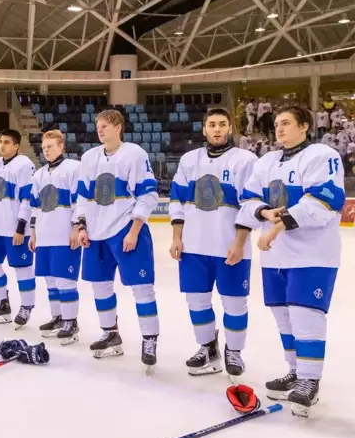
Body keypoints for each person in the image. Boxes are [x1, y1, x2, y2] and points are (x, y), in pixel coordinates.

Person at [237, 105, 345, 417]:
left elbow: (322, 202)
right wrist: (263, 211)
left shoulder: (322, 156)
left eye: (286, 123)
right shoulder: (266, 161)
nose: (279, 129)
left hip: (312, 254)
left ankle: (310, 380)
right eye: (277, 124)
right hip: (276, 257)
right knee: (284, 317)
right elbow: (247, 200)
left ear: (305, 126)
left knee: (305, 315)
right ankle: (296, 371)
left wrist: (275, 227)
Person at [169, 108, 258, 377]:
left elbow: (250, 205)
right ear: (204, 128)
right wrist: (176, 237)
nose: (217, 129)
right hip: (193, 247)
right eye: (212, 124)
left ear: (230, 128)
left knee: (235, 303)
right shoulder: (189, 160)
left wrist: (239, 243)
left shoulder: (246, 160)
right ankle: (207, 348)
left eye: (222, 124)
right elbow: (177, 200)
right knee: (196, 301)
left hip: (229, 247)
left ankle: (234, 351)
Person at [73, 109, 160, 365]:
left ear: (119, 127)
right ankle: (110, 334)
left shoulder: (134, 154)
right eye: (98, 125)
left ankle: (150, 339)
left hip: (125, 229)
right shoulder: (89, 157)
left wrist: (134, 230)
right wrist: (81, 226)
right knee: (100, 286)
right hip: (95, 233)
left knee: (142, 287)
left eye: (106, 126)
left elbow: (148, 194)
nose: (100, 130)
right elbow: (82, 196)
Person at [18, 129, 82, 344]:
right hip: (44, 235)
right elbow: (34, 207)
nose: (46, 151)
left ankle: (70, 321)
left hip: (64, 234)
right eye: (44, 147)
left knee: (65, 280)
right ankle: (58, 317)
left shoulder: (73, 168)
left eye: (50, 147)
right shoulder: (39, 174)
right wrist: (33, 234)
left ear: (61, 146)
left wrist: (76, 227)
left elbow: (79, 202)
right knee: (51, 280)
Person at [0, 129, 37, 326]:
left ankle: (27, 306)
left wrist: (21, 228)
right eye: (1, 141)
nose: (2, 145)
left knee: (22, 268)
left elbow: (27, 199)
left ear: (16, 146)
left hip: (14, 228)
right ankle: (1, 303)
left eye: (6, 142)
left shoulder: (25, 165)